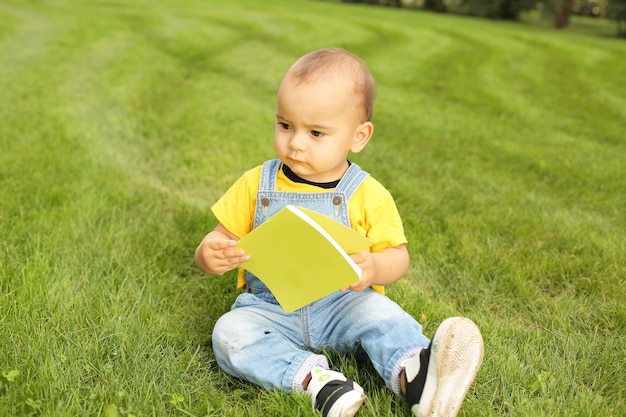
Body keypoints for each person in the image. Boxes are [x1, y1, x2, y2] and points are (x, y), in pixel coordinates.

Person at [195, 47, 484, 417]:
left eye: (316, 132)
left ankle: (418, 374)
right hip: (270, 309)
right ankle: (317, 382)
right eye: (285, 125)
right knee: (229, 333)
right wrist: (210, 253)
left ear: (358, 136)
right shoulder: (257, 183)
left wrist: (375, 268)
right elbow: (218, 237)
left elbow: (399, 257)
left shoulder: (367, 194)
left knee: (383, 316)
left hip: (343, 304)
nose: (296, 143)